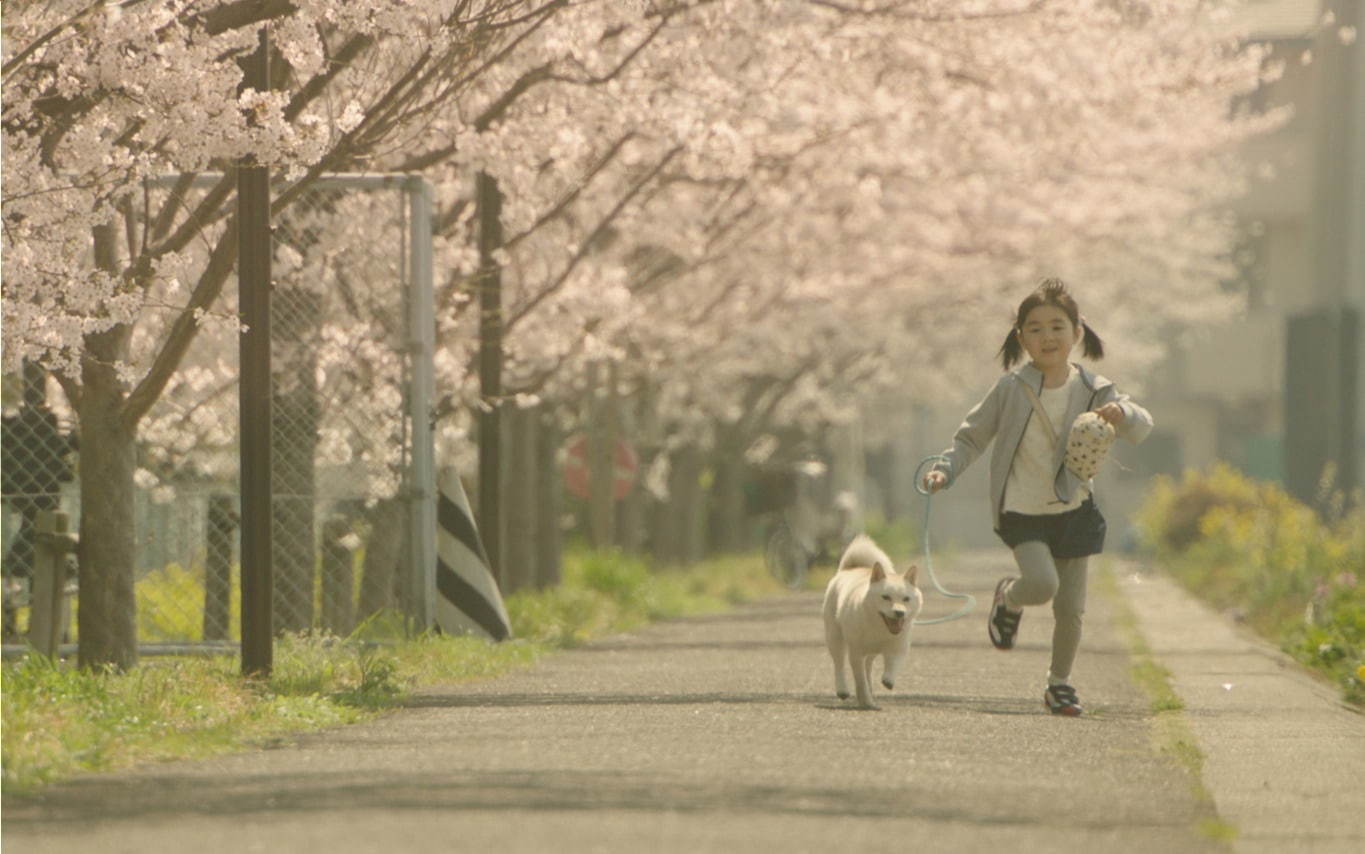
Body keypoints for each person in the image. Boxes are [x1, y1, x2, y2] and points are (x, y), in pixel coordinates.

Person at [921, 279, 1152, 716]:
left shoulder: (1095, 388)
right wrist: (944, 471)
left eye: (1056, 327)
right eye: (1035, 328)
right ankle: (1009, 597)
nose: (1047, 337)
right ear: (1021, 338)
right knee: (1042, 585)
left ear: (1076, 332)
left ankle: (1060, 683)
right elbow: (971, 438)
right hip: (1021, 510)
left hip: (1073, 507)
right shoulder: (1011, 389)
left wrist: (1124, 412)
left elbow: (1141, 427)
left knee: (1072, 608)